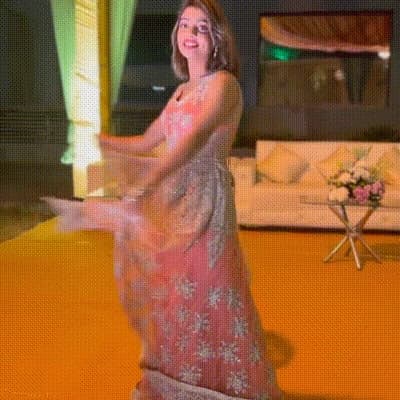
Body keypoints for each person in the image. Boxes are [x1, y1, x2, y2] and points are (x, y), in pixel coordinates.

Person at [44, 0, 283, 398]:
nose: (191, 34)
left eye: (201, 27)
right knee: (175, 290)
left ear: (217, 37)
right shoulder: (181, 92)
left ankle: (221, 386)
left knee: (209, 285)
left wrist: (145, 185)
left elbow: (190, 144)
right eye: (185, 25)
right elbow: (147, 142)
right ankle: (180, 380)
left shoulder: (224, 85)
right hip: (176, 196)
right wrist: (101, 141)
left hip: (205, 200)